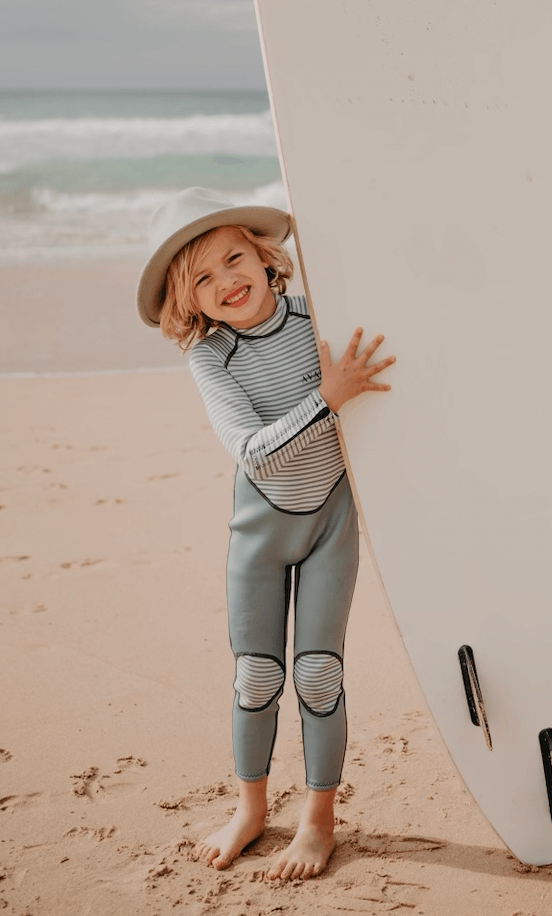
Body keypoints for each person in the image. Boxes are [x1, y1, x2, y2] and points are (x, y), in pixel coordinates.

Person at [137, 187, 395, 881]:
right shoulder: (210, 358)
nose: (228, 281)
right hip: (261, 529)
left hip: (329, 520)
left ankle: (317, 822)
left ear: (263, 254)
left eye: (234, 258)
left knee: (318, 674)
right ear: (186, 300)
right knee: (257, 677)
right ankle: (250, 810)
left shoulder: (320, 321)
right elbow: (252, 450)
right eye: (204, 278)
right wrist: (327, 398)